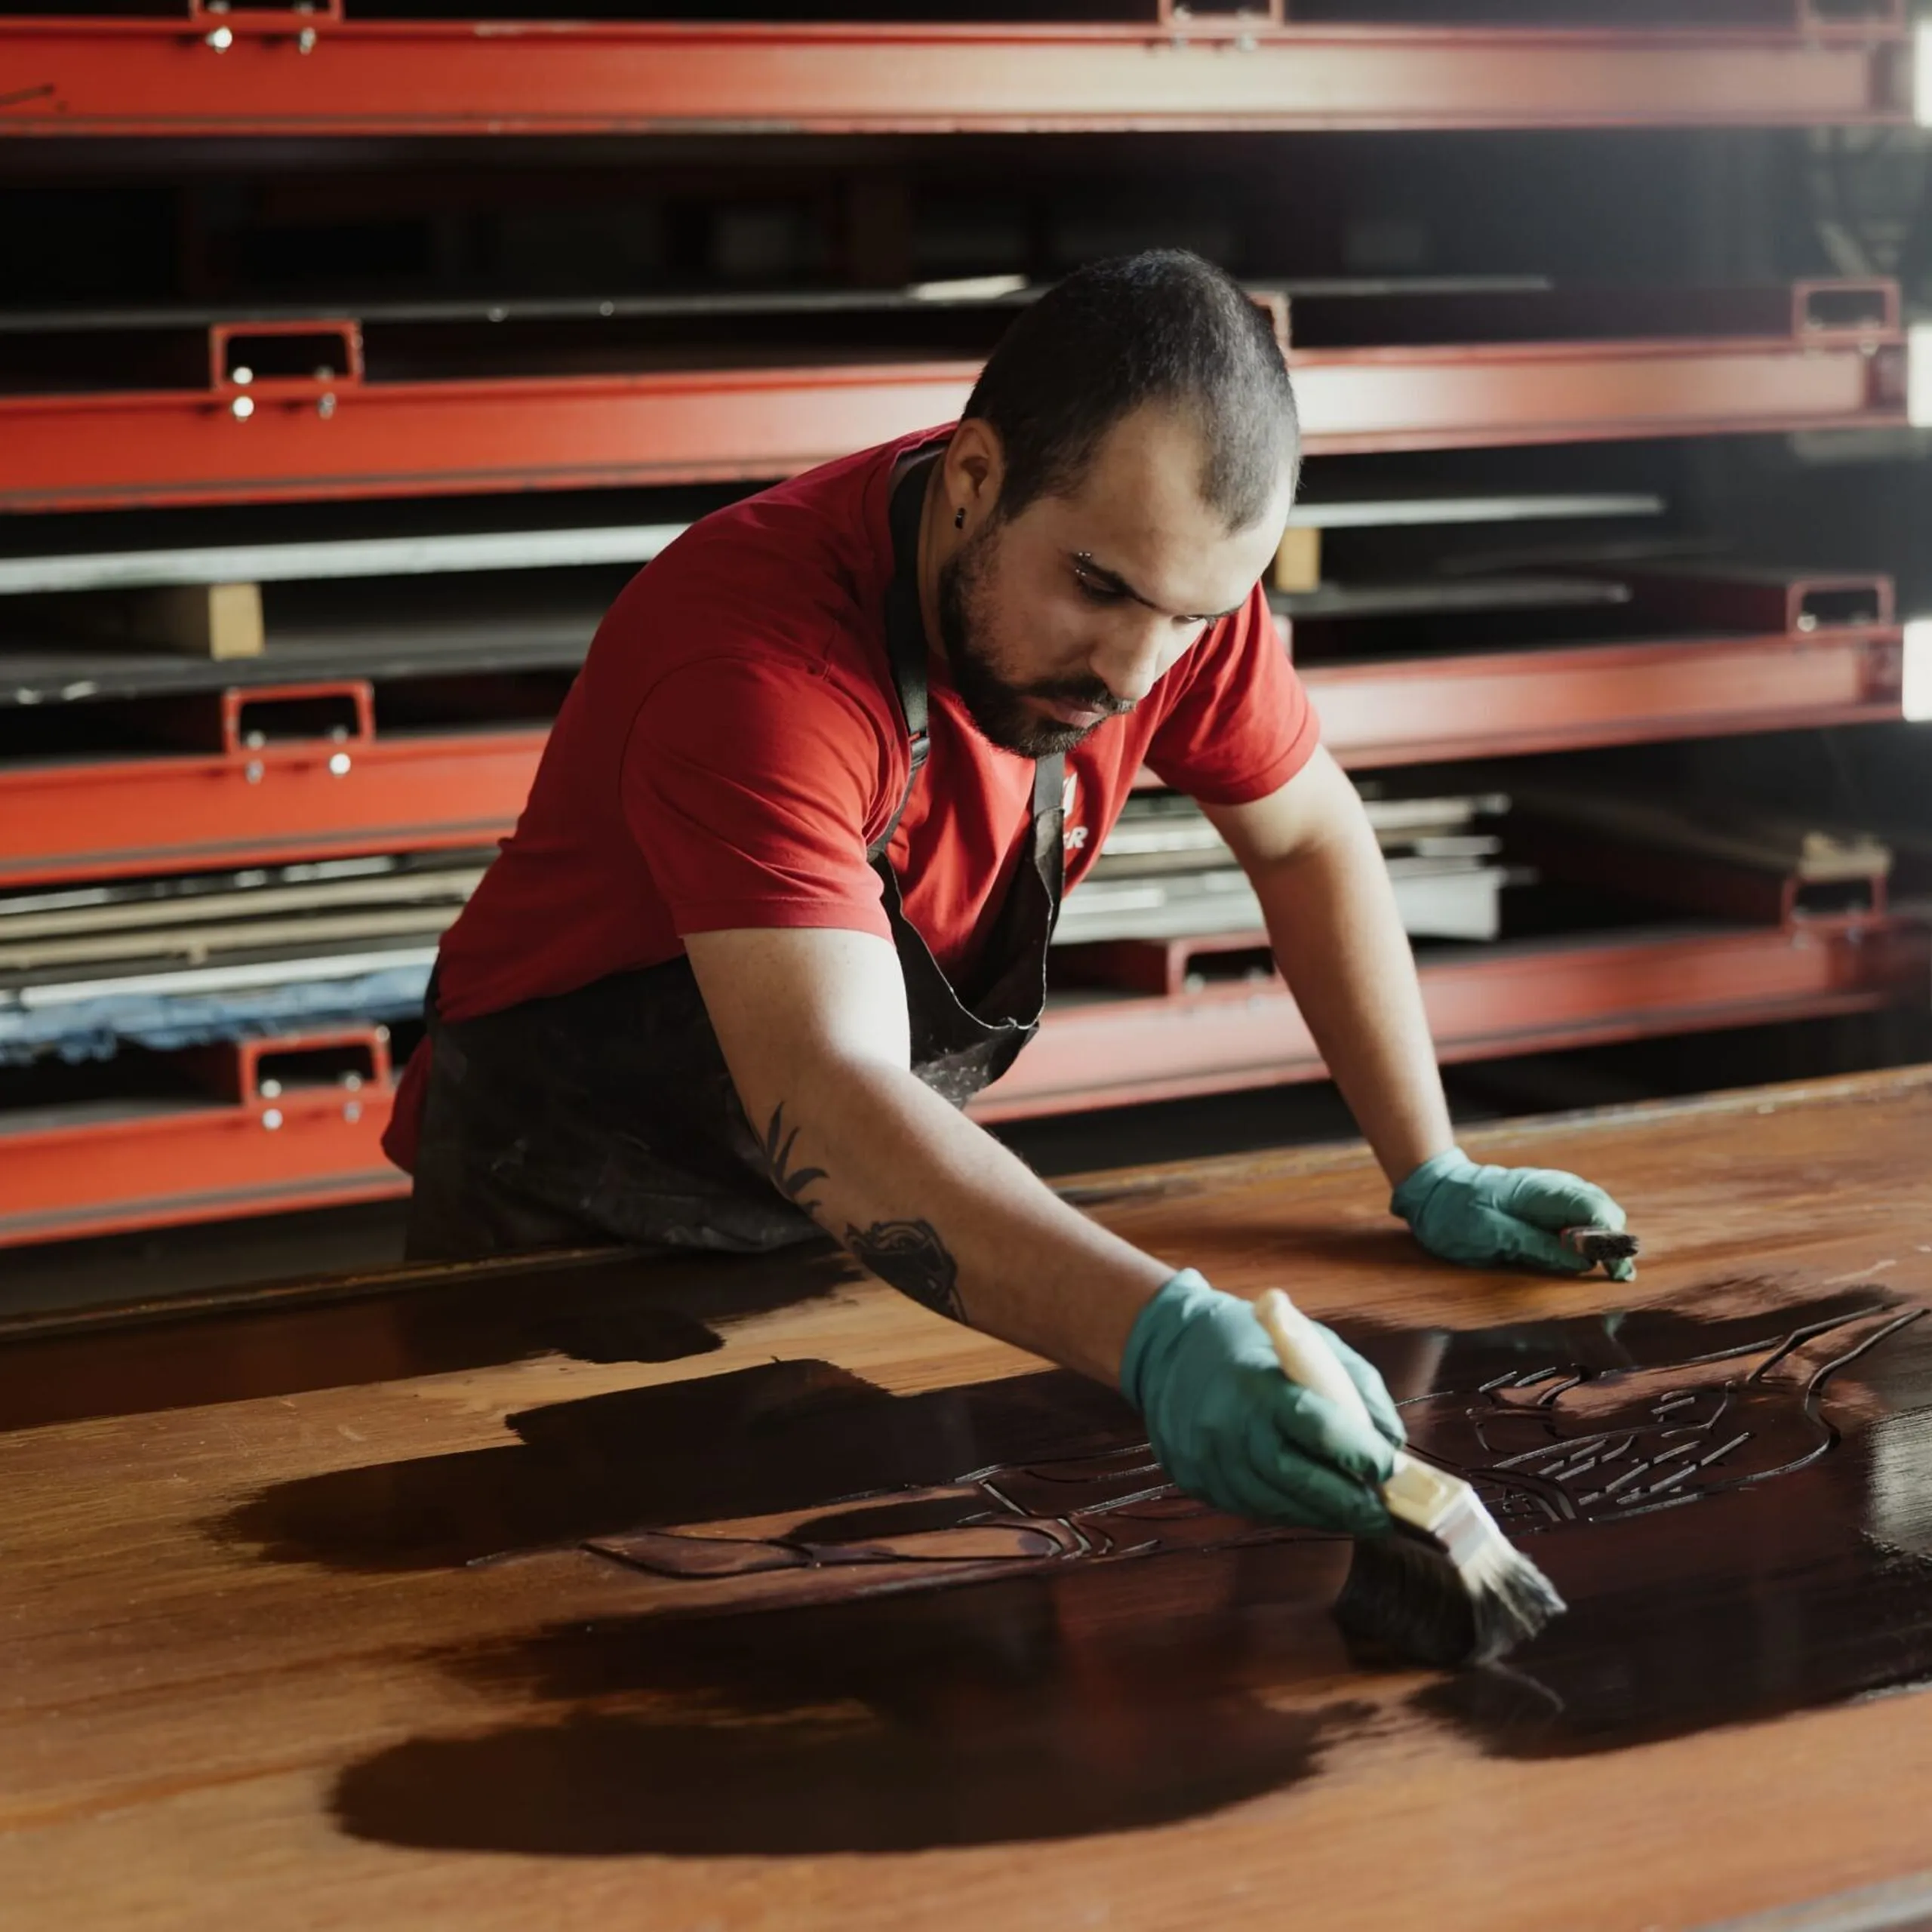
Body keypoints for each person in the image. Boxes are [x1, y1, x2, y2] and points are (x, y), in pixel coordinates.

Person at [383, 250, 1632, 1537]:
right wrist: (1159, 1337)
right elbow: (831, 1086)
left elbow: (1309, 837)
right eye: (1098, 589)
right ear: (975, 480)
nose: (1132, 673)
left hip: (859, 1226)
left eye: (1191, 620)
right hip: (565, 1235)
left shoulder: (1167, 588)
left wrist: (1428, 1164)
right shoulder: (752, 665)